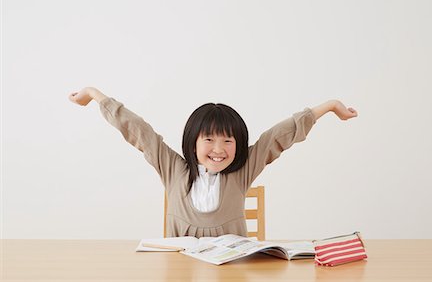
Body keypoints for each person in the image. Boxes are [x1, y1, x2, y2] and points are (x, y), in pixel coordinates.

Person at [69, 87, 358, 238]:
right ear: (192, 142)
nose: (219, 149)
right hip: (181, 273)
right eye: (209, 140)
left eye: (228, 141)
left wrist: (331, 106)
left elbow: (278, 136)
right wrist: (94, 94)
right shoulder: (172, 169)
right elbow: (138, 131)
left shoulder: (243, 171)